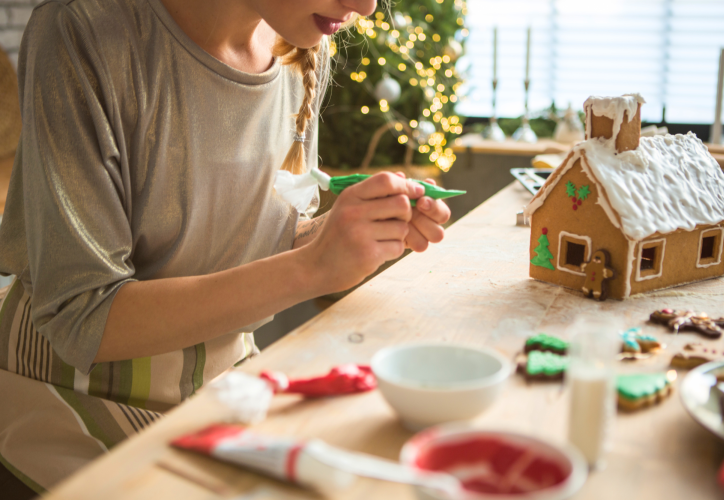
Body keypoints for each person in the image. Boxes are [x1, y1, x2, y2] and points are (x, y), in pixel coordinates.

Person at [0, 0, 451, 496]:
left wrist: (352, 236)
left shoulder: (301, 48)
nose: (364, 6)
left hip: (222, 392)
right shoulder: (81, 30)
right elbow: (82, 318)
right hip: (63, 403)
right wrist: (309, 269)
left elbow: (257, 238)